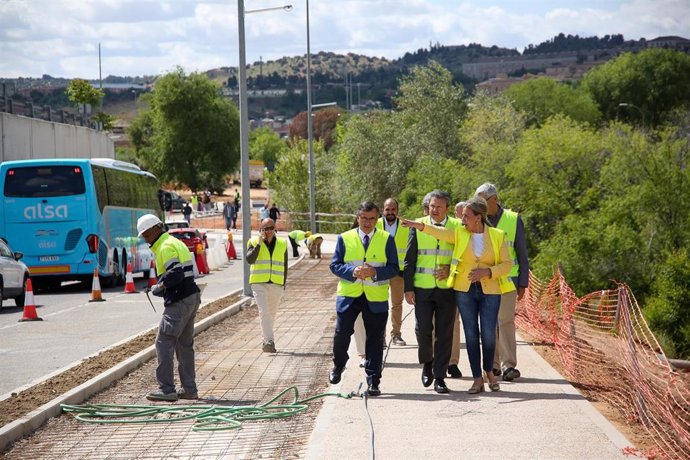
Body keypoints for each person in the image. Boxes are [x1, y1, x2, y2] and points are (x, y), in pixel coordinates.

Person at [403, 196, 514, 394]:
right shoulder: (461, 233)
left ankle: (489, 371)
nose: (462, 220)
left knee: (488, 335)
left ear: (478, 218)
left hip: (490, 290)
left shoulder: (497, 235)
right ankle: (477, 379)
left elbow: (507, 264)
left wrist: (488, 272)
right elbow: (440, 232)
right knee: (471, 335)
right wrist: (418, 226)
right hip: (465, 290)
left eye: (466, 216)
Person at [329, 201, 399, 396]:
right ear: (357, 217)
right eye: (364, 218)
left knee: (375, 340)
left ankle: (373, 381)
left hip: (375, 297)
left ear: (378, 219)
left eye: (372, 219)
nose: (368, 223)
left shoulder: (386, 239)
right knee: (342, 334)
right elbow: (334, 265)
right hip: (349, 296)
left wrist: (374, 272)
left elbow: (394, 268)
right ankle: (338, 365)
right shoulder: (345, 238)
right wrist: (353, 271)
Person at [136, 214, 201, 402]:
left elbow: (176, 273)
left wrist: (161, 286)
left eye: (147, 235)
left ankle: (167, 390)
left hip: (179, 299)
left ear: (156, 229)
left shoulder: (165, 246)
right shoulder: (175, 242)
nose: (146, 239)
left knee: (163, 341)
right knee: (184, 345)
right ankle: (189, 389)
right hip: (191, 296)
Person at [403, 190, 459, 394]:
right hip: (422, 288)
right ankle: (427, 363)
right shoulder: (417, 225)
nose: (434, 210)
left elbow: (463, 256)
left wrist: (451, 269)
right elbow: (409, 258)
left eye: (439, 207)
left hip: (447, 289)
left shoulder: (457, 226)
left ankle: (440, 377)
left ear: (447, 208)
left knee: (445, 334)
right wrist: (408, 288)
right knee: (423, 330)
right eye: (432, 206)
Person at [475, 183, 529, 382]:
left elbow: (522, 253)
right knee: (489, 324)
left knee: (505, 321)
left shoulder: (513, 220)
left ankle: (509, 366)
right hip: (485, 281)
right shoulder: (477, 220)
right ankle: (493, 366)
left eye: (483, 201)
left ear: (495, 199)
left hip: (508, 280)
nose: (480, 205)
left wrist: (523, 282)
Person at [246, 218, 288, 353]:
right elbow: (250, 260)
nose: (269, 231)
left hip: (276, 283)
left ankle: (266, 338)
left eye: (271, 228)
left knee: (271, 314)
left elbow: (285, 265)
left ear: (275, 229)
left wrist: (283, 284)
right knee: (264, 312)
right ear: (261, 230)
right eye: (265, 228)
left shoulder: (282, 243)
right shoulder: (253, 242)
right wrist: (258, 244)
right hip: (259, 283)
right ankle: (269, 341)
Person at [375, 198, 409, 347]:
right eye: (387, 209)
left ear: (397, 210)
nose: (390, 212)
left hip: (398, 271)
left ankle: (396, 335)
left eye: (393, 209)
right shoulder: (375, 225)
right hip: (380, 270)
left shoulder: (406, 226)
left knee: (397, 304)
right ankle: (380, 337)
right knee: (380, 304)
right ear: (383, 210)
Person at [447, 200, 468, 379]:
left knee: (454, 324)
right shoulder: (451, 229)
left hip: (462, 285)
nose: (462, 218)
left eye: (464, 215)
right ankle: (435, 360)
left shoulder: (472, 232)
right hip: (443, 283)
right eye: (458, 213)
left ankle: (453, 363)